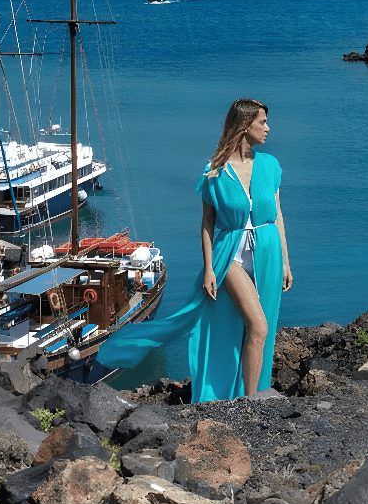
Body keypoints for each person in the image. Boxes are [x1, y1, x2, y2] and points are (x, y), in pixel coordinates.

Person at [99, 98, 291, 401]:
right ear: (244, 125)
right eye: (262, 122)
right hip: (230, 254)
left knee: (258, 330)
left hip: (268, 252)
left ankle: (249, 393)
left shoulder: (270, 165)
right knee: (258, 327)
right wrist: (210, 269)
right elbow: (207, 224)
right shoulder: (215, 172)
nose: (268, 128)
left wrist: (286, 262)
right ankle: (252, 403)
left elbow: (277, 214)